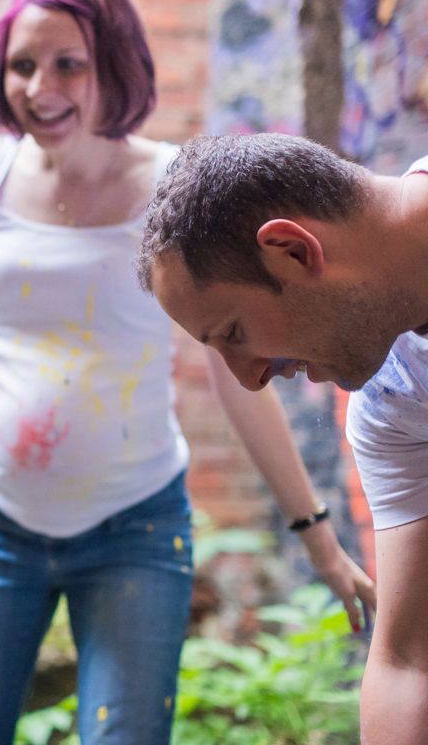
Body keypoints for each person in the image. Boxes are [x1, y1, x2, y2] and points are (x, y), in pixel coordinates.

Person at [0, 0, 375, 745]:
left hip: (136, 526)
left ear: (114, 63)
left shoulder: (174, 186)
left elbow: (233, 373)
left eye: (68, 62)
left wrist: (317, 533)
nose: (41, 86)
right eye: (22, 65)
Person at [137, 131, 428, 745]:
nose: (250, 379)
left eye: (235, 333)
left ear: (293, 251)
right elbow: (407, 663)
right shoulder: (394, 401)